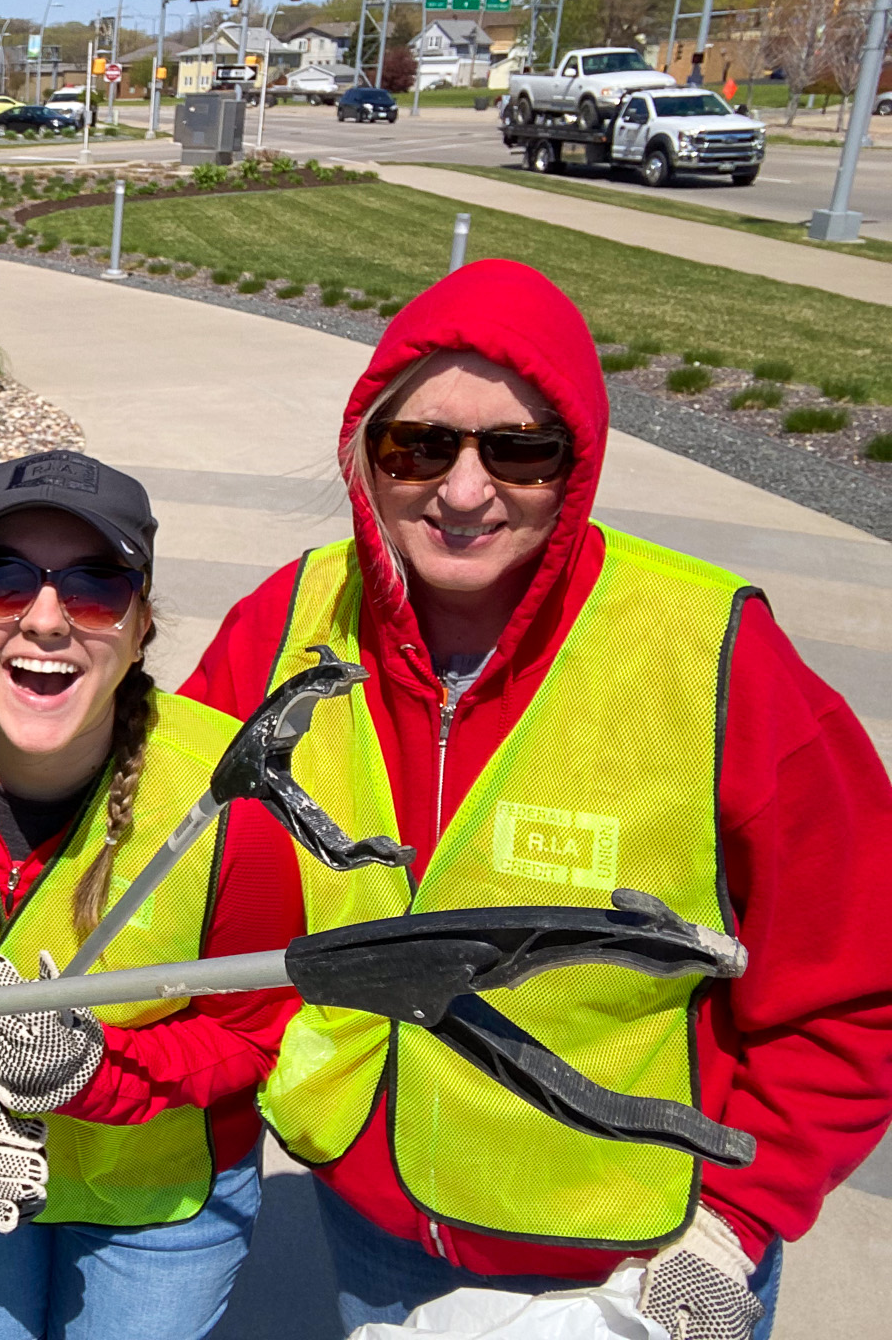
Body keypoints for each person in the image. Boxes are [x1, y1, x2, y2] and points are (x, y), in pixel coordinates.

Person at [181, 260, 892, 1340]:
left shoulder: (710, 656)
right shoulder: (283, 623)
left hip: (634, 1263)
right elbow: (179, 877)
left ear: (577, 465)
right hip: (377, 1229)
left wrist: (735, 1226)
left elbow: (854, 981)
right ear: (363, 451)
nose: (461, 493)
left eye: (516, 450)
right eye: (414, 445)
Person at [0, 450, 304, 1340]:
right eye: (2, 579)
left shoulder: (226, 803)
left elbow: (254, 1027)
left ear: (141, 628)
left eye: (95, 586)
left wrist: (101, 1073)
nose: (46, 618)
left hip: (158, 1203)